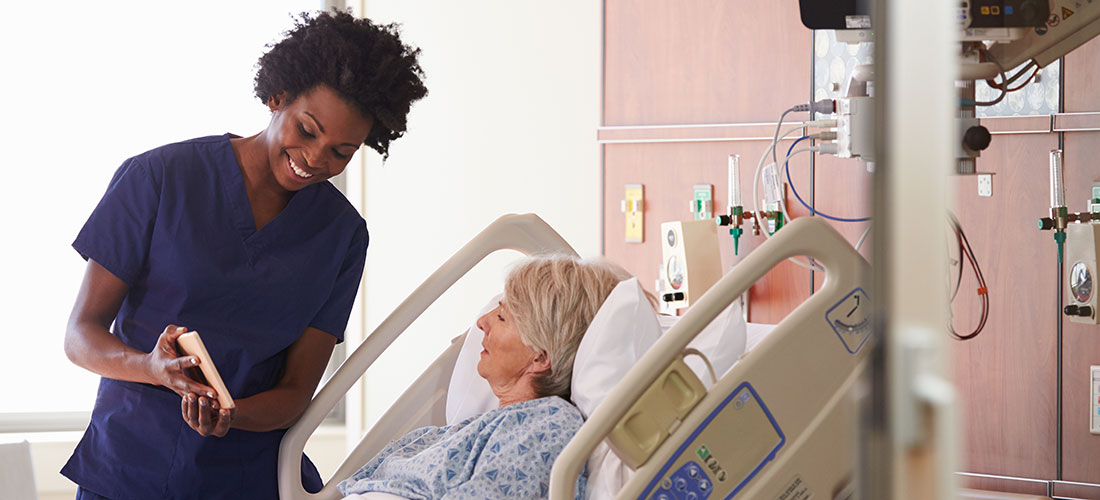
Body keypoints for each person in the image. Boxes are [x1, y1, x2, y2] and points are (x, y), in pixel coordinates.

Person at [61, 10, 427, 500]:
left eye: (342, 151)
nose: (317, 159)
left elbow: (296, 392)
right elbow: (79, 336)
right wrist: (151, 368)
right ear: (278, 98)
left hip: (249, 476)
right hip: (131, 467)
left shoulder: (342, 236)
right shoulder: (159, 177)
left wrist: (231, 416)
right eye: (307, 129)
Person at [338, 255, 631, 500]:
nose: (482, 322)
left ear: (540, 356)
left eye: (502, 317)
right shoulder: (481, 428)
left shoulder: (548, 426)